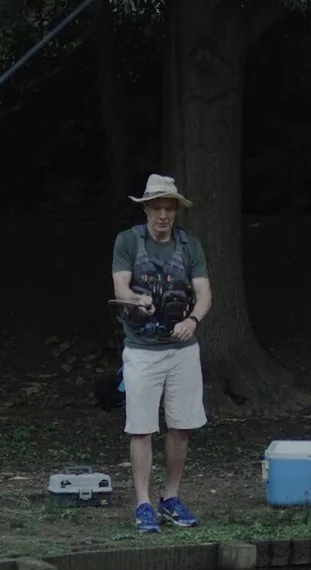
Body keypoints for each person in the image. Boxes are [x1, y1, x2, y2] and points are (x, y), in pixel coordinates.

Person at [110, 173, 213, 534]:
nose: (163, 215)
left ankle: (171, 496)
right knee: (141, 428)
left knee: (181, 426)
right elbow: (120, 286)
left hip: (182, 350)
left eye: (169, 208)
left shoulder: (190, 247)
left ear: (176, 211)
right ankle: (142, 504)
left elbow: (204, 294)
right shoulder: (126, 242)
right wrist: (138, 301)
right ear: (146, 209)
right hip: (141, 350)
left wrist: (193, 321)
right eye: (157, 208)